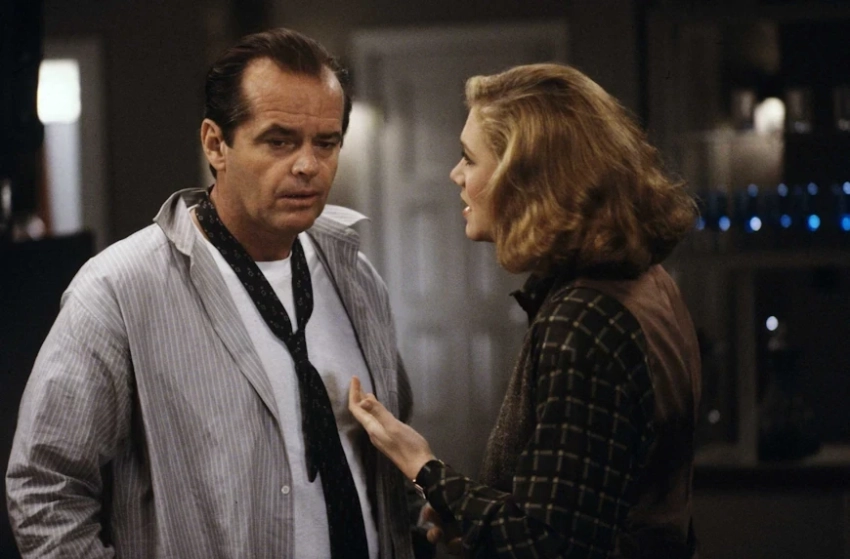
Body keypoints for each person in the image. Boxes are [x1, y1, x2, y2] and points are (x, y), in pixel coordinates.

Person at [7, 28, 418, 559]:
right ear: (215, 144)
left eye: (326, 142)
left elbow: (389, 465)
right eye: (279, 141)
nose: (307, 165)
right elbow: (44, 490)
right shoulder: (120, 289)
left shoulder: (357, 278)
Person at [349, 62, 702, 559]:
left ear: (526, 178)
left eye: (469, 158)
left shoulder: (583, 320)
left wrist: (423, 467)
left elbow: (550, 544)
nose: (455, 174)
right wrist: (474, 522)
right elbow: (580, 507)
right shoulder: (647, 281)